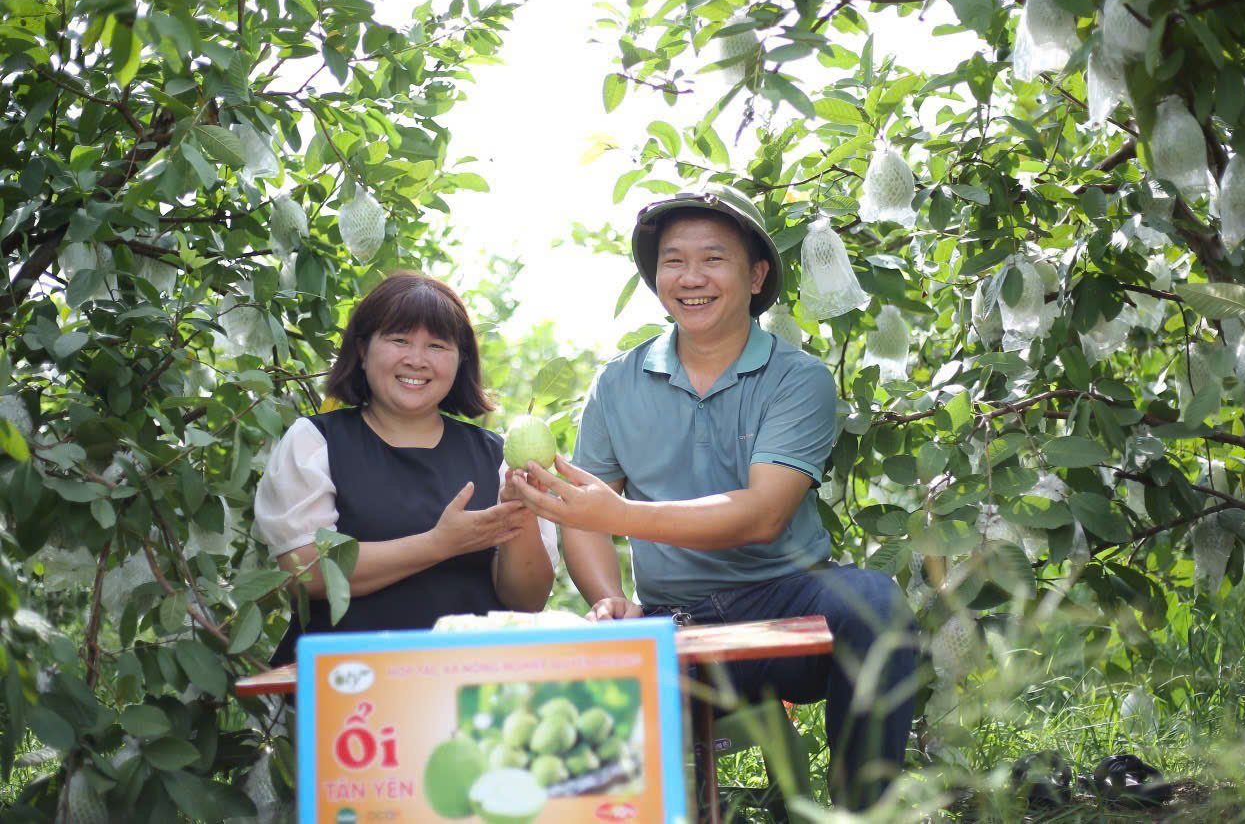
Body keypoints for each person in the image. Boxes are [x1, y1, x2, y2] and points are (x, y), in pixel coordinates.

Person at [511, 184, 918, 809]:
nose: (690, 277)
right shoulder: (617, 383)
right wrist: (608, 597)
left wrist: (619, 515)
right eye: (673, 261)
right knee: (556, 674)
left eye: (712, 259)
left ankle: (860, 810)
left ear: (756, 275)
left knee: (872, 601)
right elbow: (584, 517)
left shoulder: (797, 379)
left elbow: (761, 516)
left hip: (789, 607)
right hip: (674, 622)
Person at [255, 271, 556, 665]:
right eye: (399, 340)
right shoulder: (315, 442)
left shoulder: (495, 456)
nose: (416, 359)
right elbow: (304, 573)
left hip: (473, 688)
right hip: (350, 692)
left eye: (436, 345)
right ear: (362, 350)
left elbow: (527, 600)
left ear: (460, 359)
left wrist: (522, 515)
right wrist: (439, 544)